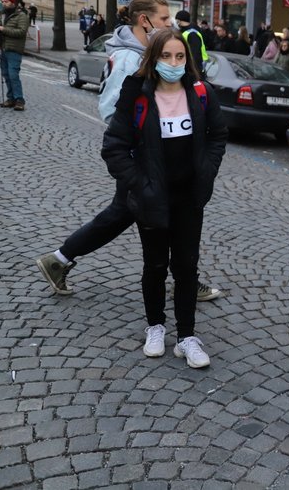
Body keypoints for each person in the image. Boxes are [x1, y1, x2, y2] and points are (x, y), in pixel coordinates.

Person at [36, 0, 222, 302]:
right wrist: (142, 141)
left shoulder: (146, 52)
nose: (169, 24)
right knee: (141, 214)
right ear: (143, 20)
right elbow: (112, 109)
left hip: (155, 161)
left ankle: (60, 259)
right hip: (143, 161)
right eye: (164, 19)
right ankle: (184, 281)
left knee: (129, 215)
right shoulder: (130, 58)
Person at [101, 28, 228, 368]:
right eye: (166, 56)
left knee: (186, 267)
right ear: (153, 59)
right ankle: (155, 326)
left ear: (188, 59)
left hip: (189, 197)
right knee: (155, 265)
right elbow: (113, 148)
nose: (174, 63)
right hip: (151, 198)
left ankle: (187, 336)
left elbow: (218, 135)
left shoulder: (201, 93)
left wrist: (207, 171)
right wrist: (139, 185)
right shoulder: (137, 95)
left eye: (180, 56)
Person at [0, 0, 30, 111]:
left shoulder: (21, 16)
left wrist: (4, 29)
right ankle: (11, 98)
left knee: (13, 75)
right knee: (6, 75)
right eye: (2, 1)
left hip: (14, 50)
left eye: (6, 1)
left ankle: (19, 100)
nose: (4, 3)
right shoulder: (2, 15)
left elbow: (22, 32)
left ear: (12, 3)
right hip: (2, 48)